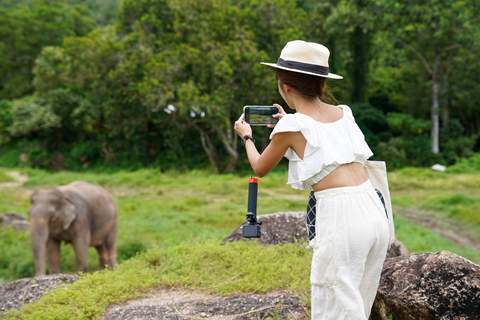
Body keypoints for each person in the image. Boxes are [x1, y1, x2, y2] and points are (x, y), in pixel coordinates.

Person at [234, 40, 390, 320]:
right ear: (321, 84)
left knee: (333, 305)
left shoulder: (293, 125)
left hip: (343, 218)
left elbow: (260, 167)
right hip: (376, 213)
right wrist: (287, 121)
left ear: (286, 87)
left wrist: (246, 136)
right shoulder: (345, 113)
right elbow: (318, 135)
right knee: (358, 303)